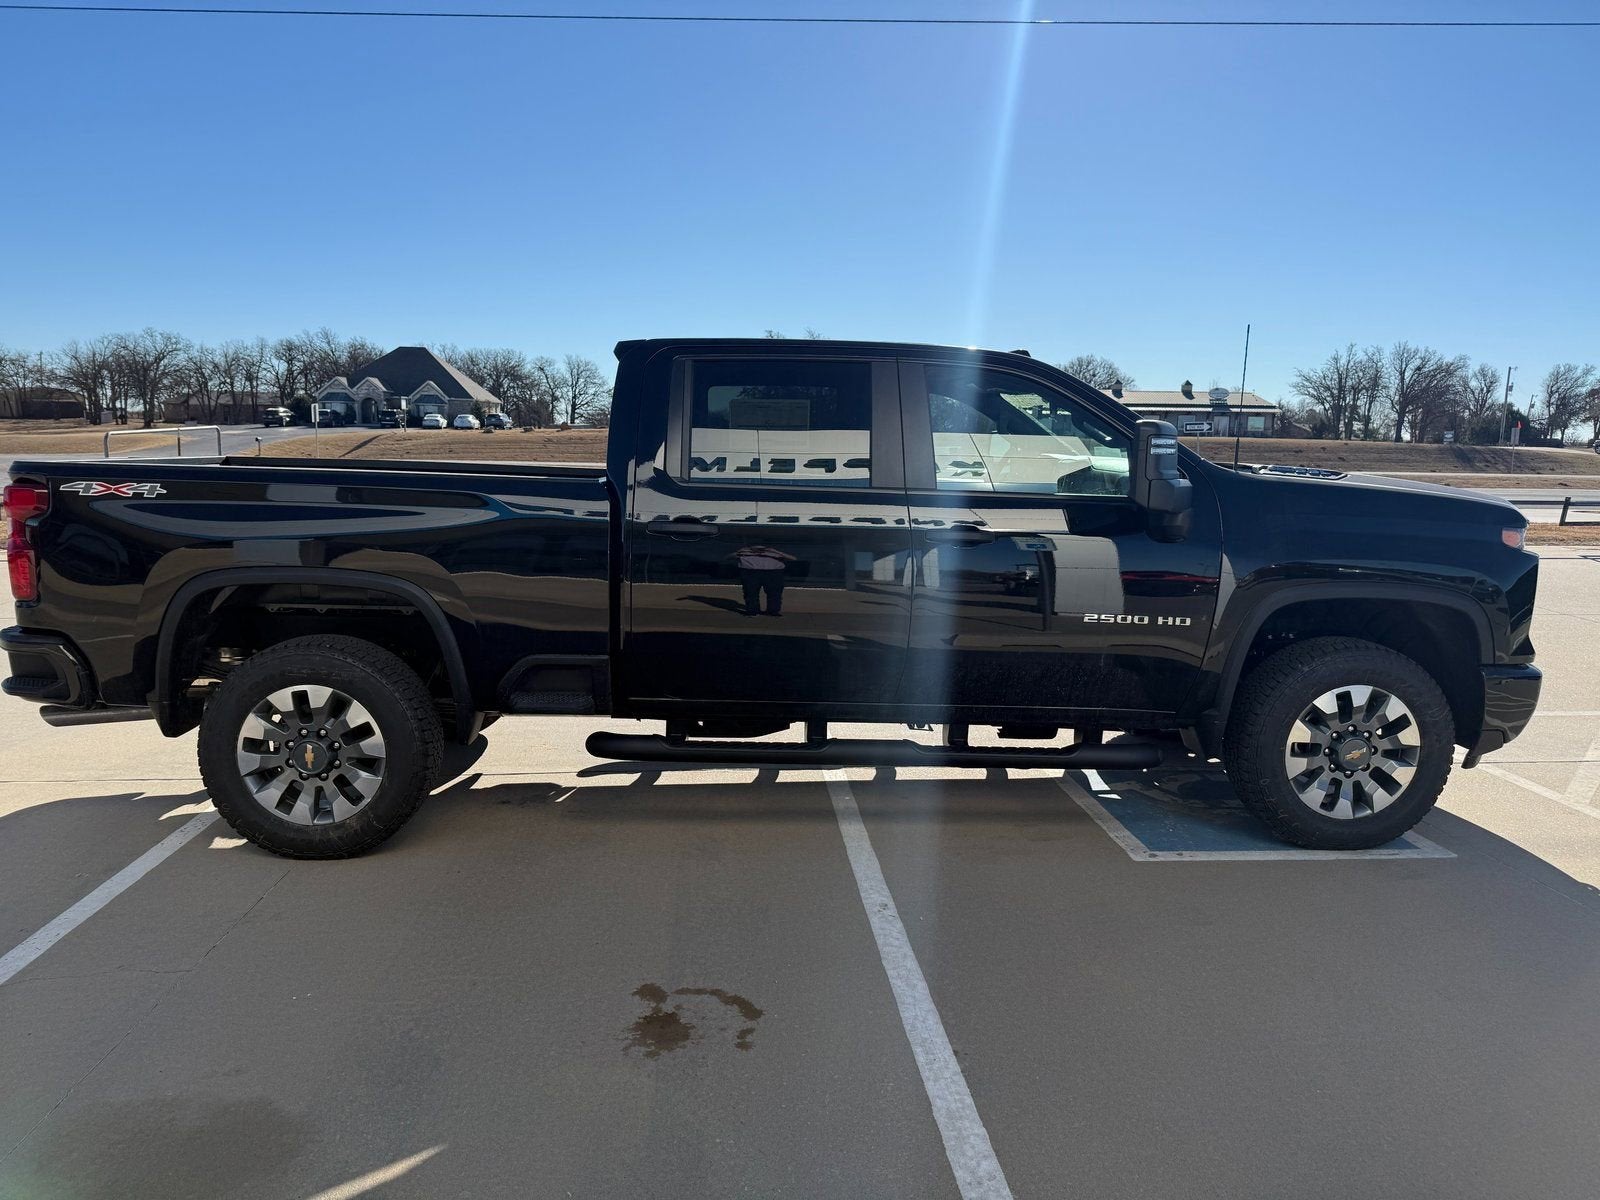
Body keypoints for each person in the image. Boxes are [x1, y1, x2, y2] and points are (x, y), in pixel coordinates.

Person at [731, 544, 796, 616]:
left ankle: (773, 611)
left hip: (773, 572)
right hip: (750, 572)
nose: (759, 551)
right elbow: (728, 557)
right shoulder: (744, 553)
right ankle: (752, 611)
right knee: (750, 593)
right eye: (757, 549)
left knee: (774, 593)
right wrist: (741, 552)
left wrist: (774, 552)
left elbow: (793, 558)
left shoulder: (775, 553)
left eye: (761, 549)